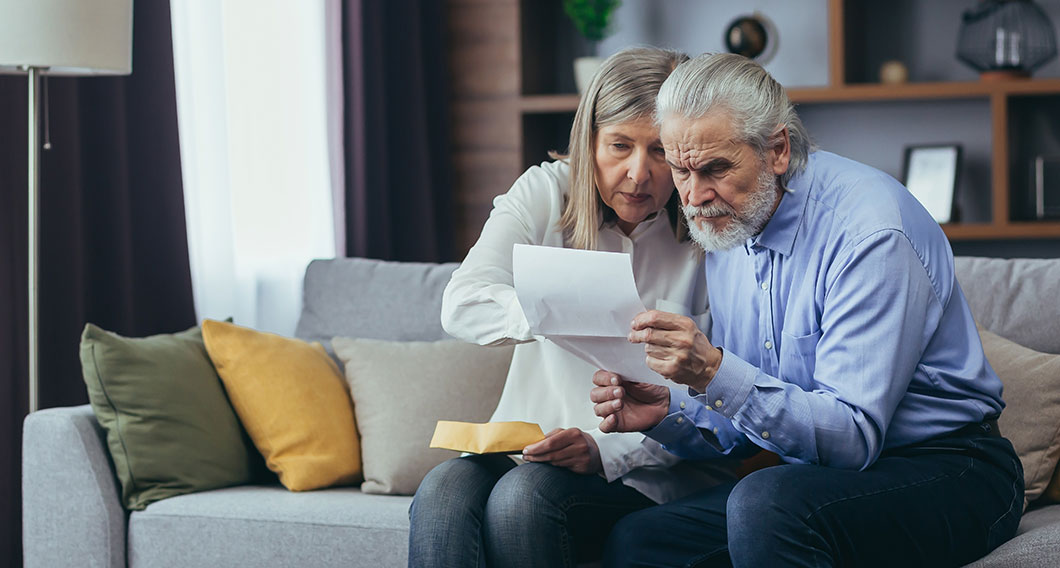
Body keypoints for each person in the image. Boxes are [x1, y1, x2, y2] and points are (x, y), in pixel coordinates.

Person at [591, 52, 1025, 567]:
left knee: (765, 502)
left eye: (715, 169)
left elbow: (853, 437)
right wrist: (668, 412)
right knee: (640, 541)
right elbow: (747, 418)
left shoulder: (870, 233)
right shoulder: (728, 227)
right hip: (818, 478)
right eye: (680, 168)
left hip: (952, 468)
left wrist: (714, 370)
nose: (694, 195)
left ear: (777, 149)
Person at [408, 47, 737, 568]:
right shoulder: (544, 192)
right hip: (524, 449)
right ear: (588, 143)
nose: (637, 174)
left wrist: (603, 451)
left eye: (659, 152)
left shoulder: (712, 231)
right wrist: (553, 310)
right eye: (619, 145)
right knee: (443, 490)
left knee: (524, 500)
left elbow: (722, 401)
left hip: (648, 471)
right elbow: (462, 303)